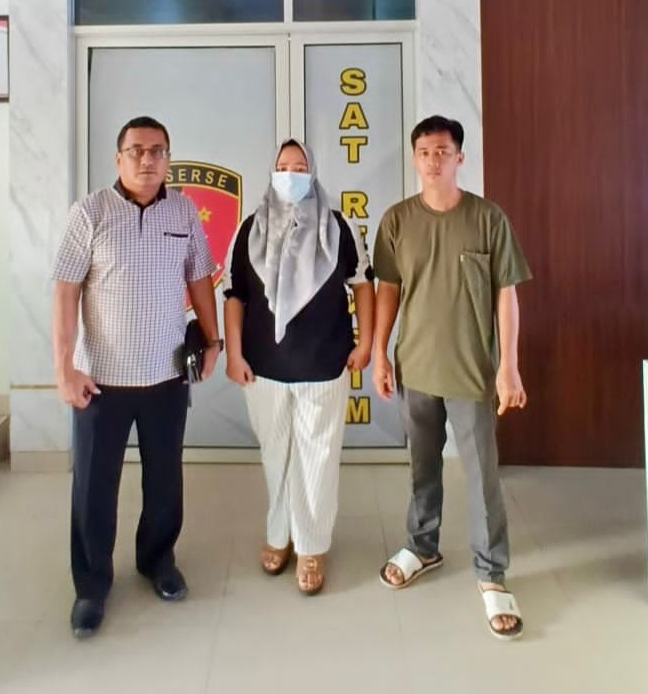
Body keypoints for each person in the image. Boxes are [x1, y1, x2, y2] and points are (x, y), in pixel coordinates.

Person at [51, 115, 222, 639]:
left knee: (165, 479)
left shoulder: (183, 210)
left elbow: (199, 278)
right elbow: (66, 290)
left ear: (168, 157)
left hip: (166, 377)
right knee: (94, 487)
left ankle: (157, 561)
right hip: (100, 381)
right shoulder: (90, 212)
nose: (147, 159)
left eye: (157, 150)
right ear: (118, 158)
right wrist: (64, 367)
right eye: (136, 150)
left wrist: (213, 340)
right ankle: (90, 586)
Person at [372, 115, 531, 641]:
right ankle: (422, 546)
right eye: (424, 151)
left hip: (472, 372)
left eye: (442, 151)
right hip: (415, 367)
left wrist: (508, 366)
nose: (433, 160)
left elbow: (506, 295)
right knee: (422, 466)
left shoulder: (487, 218)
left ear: (460, 157)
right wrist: (379, 353)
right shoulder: (397, 221)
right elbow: (388, 291)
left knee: (482, 474)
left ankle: (492, 573)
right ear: (414, 158)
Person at [223, 138, 375, 595]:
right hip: (262, 367)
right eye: (284, 166)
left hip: (323, 363)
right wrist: (233, 354)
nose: (291, 174)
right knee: (276, 454)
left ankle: (311, 545)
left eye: (300, 166)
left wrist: (366, 342)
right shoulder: (250, 229)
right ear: (272, 173)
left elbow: (363, 284)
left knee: (318, 458)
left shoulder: (338, 227)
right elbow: (234, 295)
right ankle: (280, 534)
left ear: (313, 173)